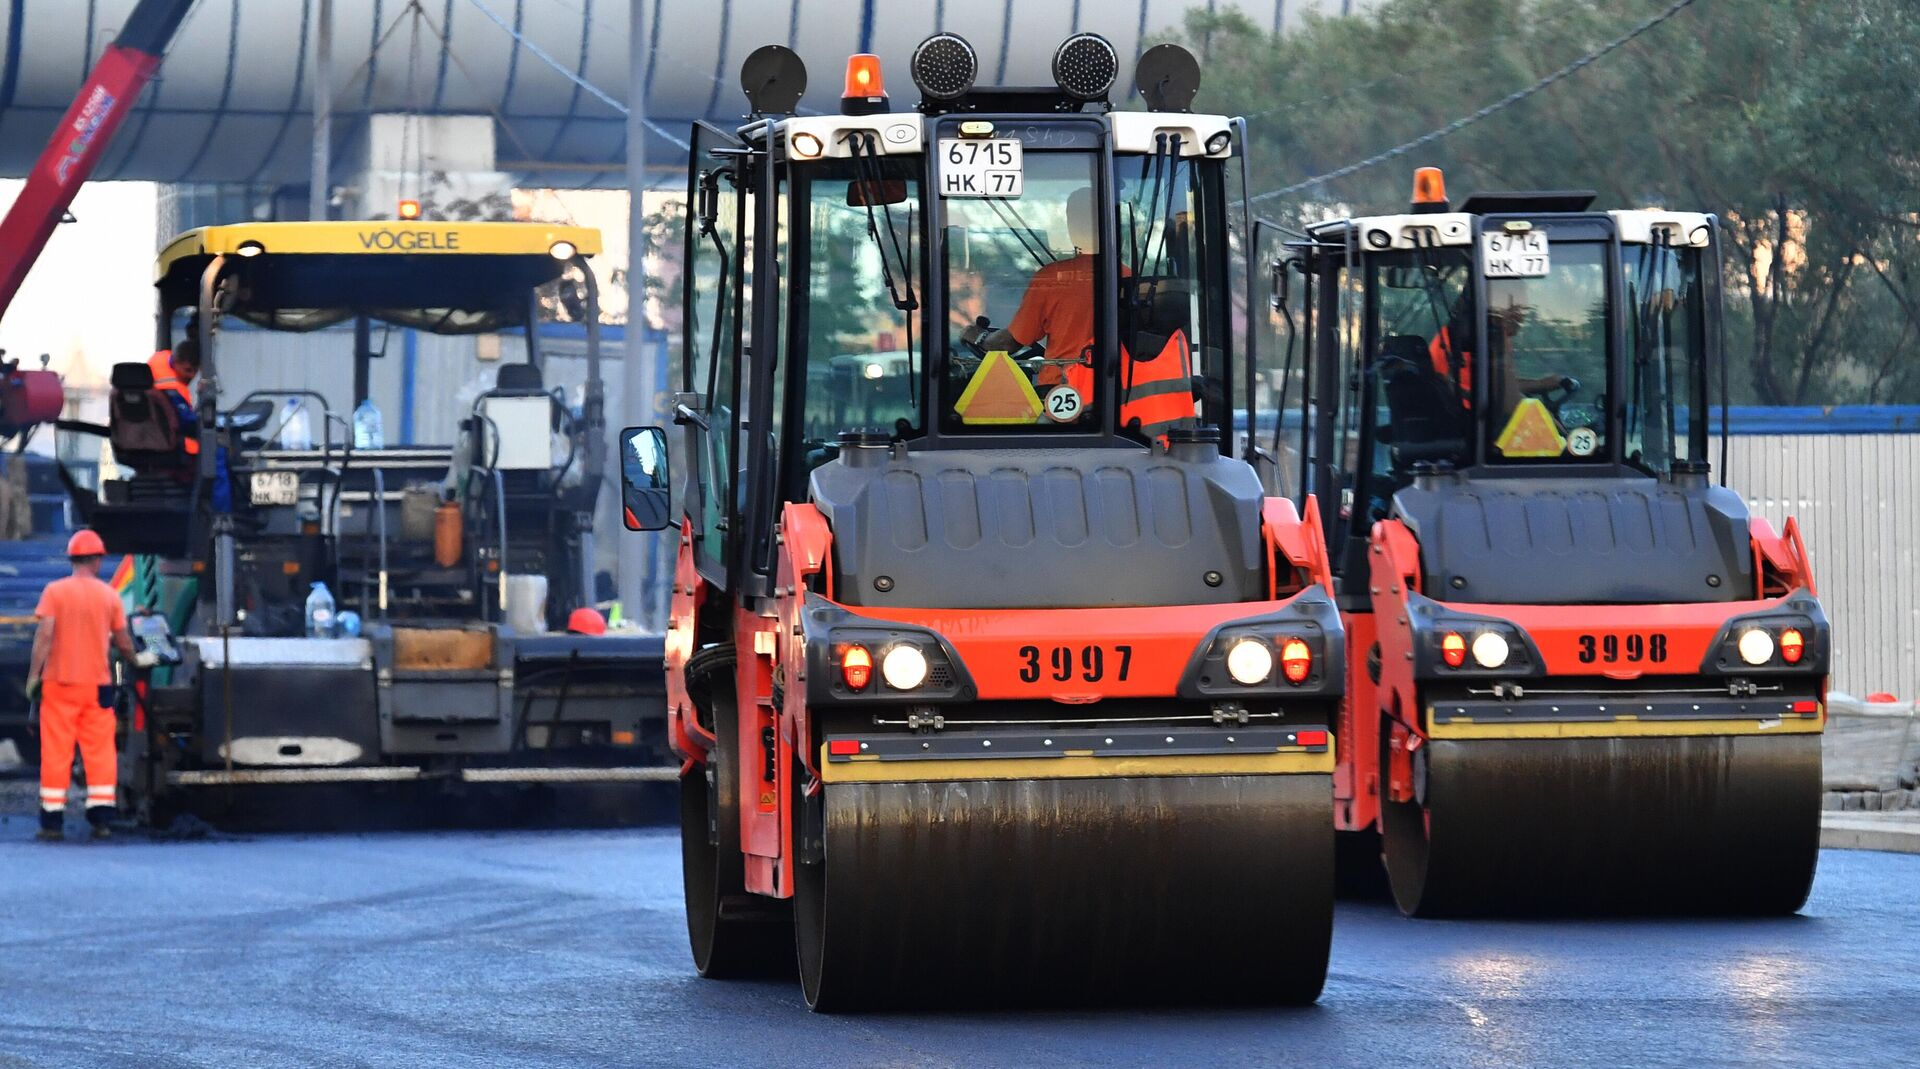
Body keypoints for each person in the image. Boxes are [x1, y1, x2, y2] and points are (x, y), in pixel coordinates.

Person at [966, 186, 1196, 441]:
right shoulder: (1128, 277)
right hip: (1117, 393)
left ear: (1071, 226)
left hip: (1059, 393)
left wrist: (978, 338)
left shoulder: (1051, 278)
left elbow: (1010, 342)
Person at [24, 529, 154, 841]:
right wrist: (137, 660)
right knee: (99, 752)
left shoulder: (54, 592)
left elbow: (44, 637)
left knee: (57, 752)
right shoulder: (109, 596)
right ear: (96, 560)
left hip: (59, 685)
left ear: (72, 559)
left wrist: (33, 677)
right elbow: (123, 642)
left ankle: (52, 822)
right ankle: (101, 819)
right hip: (98, 688)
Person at [147, 324, 202, 456]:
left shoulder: (159, 359)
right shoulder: (172, 391)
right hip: (180, 451)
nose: (192, 376)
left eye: (195, 371)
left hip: (156, 441)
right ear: (176, 361)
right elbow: (189, 424)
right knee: (218, 451)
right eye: (188, 370)